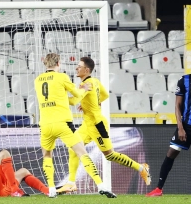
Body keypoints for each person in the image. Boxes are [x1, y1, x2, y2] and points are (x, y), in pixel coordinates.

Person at [58, 57, 151, 194]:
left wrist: (57, 98)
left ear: (87, 70)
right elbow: (105, 95)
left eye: (79, 66)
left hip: (97, 125)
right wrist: (90, 104)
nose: (76, 68)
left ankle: (141, 168)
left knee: (110, 155)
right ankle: (71, 183)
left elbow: (73, 101)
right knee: (73, 148)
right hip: (87, 124)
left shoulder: (85, 85)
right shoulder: (94, 81)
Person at [34, 53, 116, 198]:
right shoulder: (62, 77)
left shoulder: (38, 80)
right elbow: (76, 93)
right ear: (58, 63)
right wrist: (84, 89)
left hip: (45, 124)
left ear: (45, 64)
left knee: (47, 155)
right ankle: (100, 185)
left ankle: (52, 189)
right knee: (82, 152)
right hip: (62, 123)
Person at [146, 51, 191, 197]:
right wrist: (180, 127)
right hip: (186, 124)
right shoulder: (184, 80)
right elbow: (177, 106)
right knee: (171, 153)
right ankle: (159, 189)